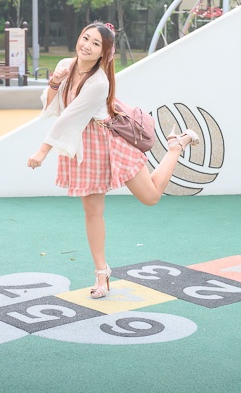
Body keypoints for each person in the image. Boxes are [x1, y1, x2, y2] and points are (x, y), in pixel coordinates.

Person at [26, 21, 199, 299]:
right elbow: (52, 106)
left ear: (104, 53)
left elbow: (71, 117)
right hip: (83, 146)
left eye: (96, 44)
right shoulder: (65, 64)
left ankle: (175, 147)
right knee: (92, 212)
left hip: (107, 143)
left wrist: (43, 151)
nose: (87, 46)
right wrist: (55, 81)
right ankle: (101, 273)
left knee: (151, 196)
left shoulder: (99, 82)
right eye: (85, 38)